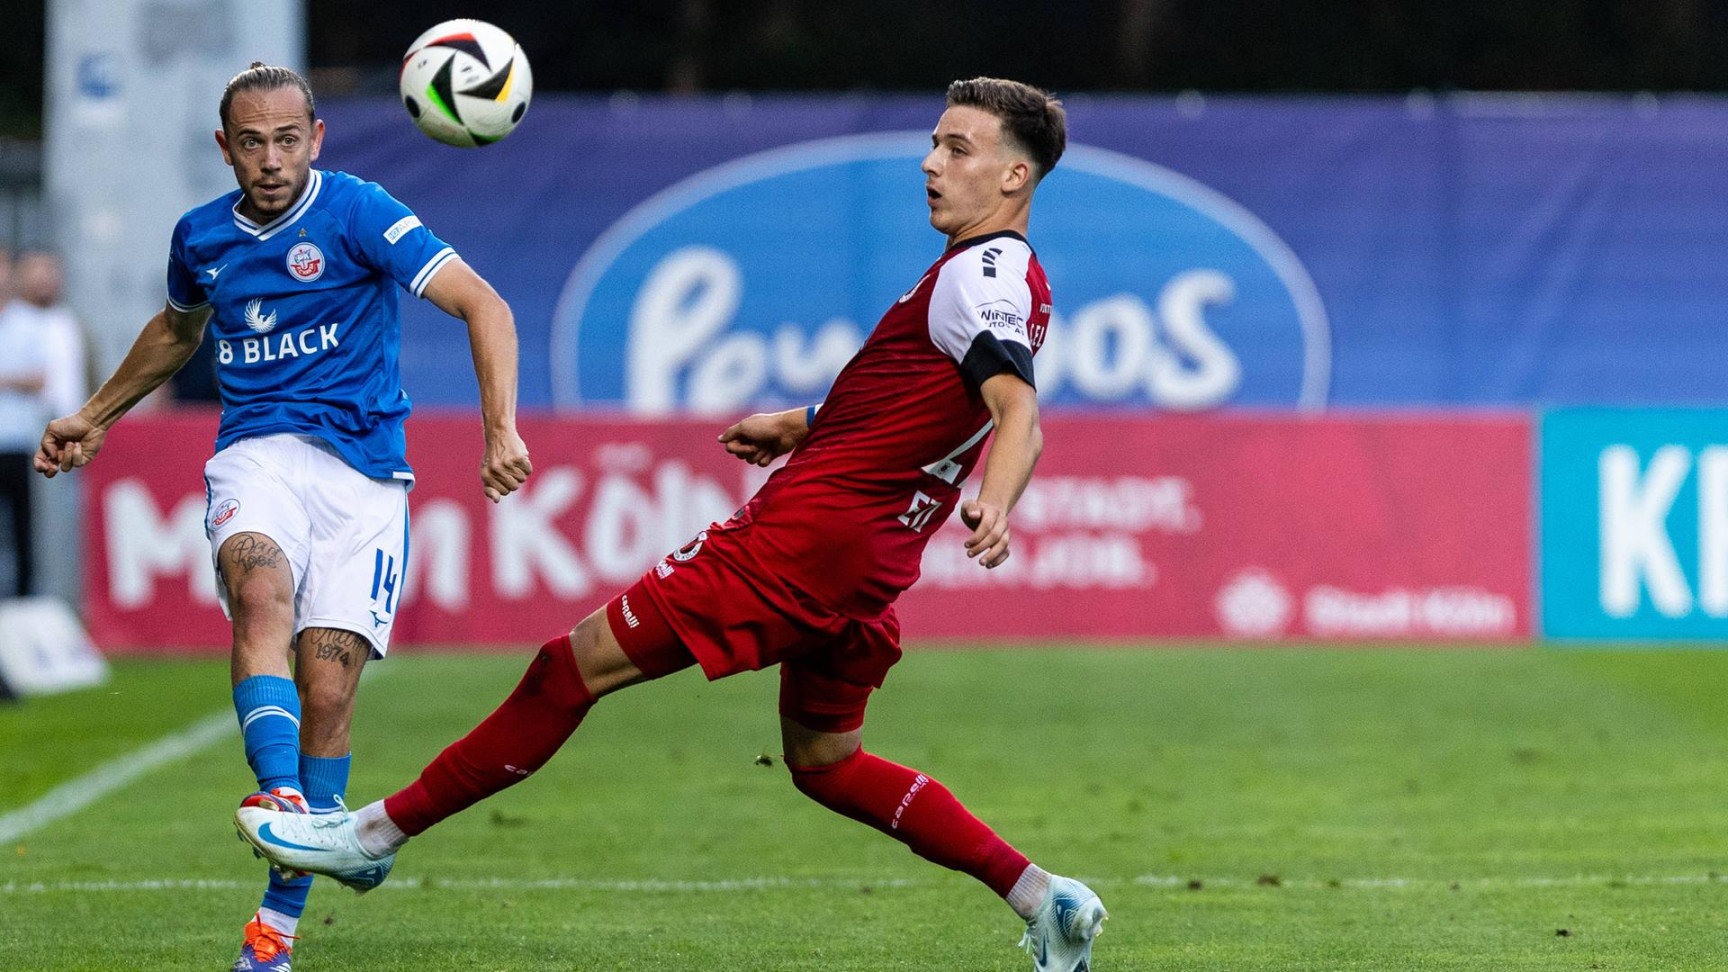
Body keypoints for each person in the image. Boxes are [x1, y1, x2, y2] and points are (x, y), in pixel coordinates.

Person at [238, 77, 1105, 971]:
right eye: (934, 141)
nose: (930, 163)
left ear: (1012, 177)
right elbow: (942, 401)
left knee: (566, 670)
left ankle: (370, 839)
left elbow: (1016, 413)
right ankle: (1046, 898)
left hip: (798, 546)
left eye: (957, 149)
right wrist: (807, 423)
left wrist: (995, 499)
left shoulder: (977, 273)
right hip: (871, 565)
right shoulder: (1020, 280)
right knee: (826, 763)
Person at [34, 63, 533, 972]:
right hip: (258, 452)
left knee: (329, 692)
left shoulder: (359, 212)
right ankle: (289, 805)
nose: (271, 160)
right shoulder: (201, 237)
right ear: (226, 148)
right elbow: (179, 330)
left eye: (288, 139)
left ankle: (276, 930)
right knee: (260, 591)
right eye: (252, 143)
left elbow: (482, 303)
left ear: (316, 139)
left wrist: (499, 428)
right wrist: (94, 416)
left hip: (367, 479)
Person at [0, 244, 48, 598]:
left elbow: (39, 379)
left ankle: (24, 600)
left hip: (17, 440)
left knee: (23, 528)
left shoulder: (28, 322)